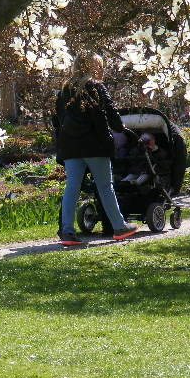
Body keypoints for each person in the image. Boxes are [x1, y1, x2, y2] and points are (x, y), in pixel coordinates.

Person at [53, 53, 138, 246]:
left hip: (71, 146)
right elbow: (110, 112)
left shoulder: (64, 91)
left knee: (72, 188)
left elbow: (57, 120)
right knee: (105, 186)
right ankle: (119, 226)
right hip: (95, 145)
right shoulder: (96, 88)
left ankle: (67, 231)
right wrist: (121, 130)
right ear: (95, 66)